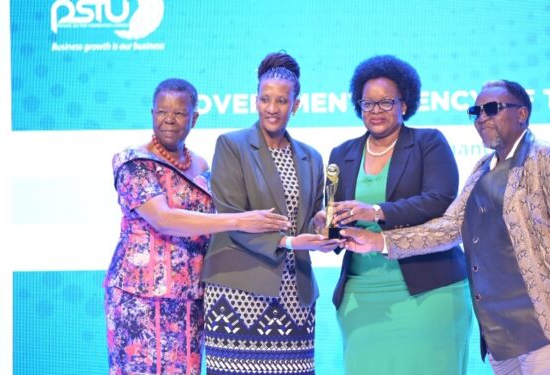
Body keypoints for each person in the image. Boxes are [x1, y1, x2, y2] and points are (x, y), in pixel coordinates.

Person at [342, 79, 550, 374]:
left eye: (492, 109)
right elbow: (450, 228)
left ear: (522, 114)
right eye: (476, 112)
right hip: (505, 330)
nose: (482, 118)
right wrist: (379, 242)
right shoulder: (482, 169)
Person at [104, 78, 291, 375]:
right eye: (162, 112)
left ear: (195, 118)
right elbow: (164, 219)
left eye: (179, 113)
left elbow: (218, 215)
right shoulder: (134, 162)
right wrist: (240, 220)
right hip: (139, 296)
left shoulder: (202, 165)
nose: (169, 119)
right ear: (152, 113)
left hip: (191, 296)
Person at [310, 55, 472, 374]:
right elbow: (337, 219)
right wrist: (325, 226)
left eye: (386, 102)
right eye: (368, 103)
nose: (376, 111)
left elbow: (439, 201)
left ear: (405, 104)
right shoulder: (342, 153)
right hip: (362, 294)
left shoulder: (429, 142)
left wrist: (376, 211)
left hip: (429, 292)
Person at [200, 52, 341, 375]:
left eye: (281, 100)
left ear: (296, 105)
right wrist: (289, 241)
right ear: (256, 100)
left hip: (295, 295)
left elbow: (304, 221)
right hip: (239, 290)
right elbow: (232, 217)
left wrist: (321, 226)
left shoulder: (312, 157)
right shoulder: (231, 145)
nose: (272, 108)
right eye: (265, 99)